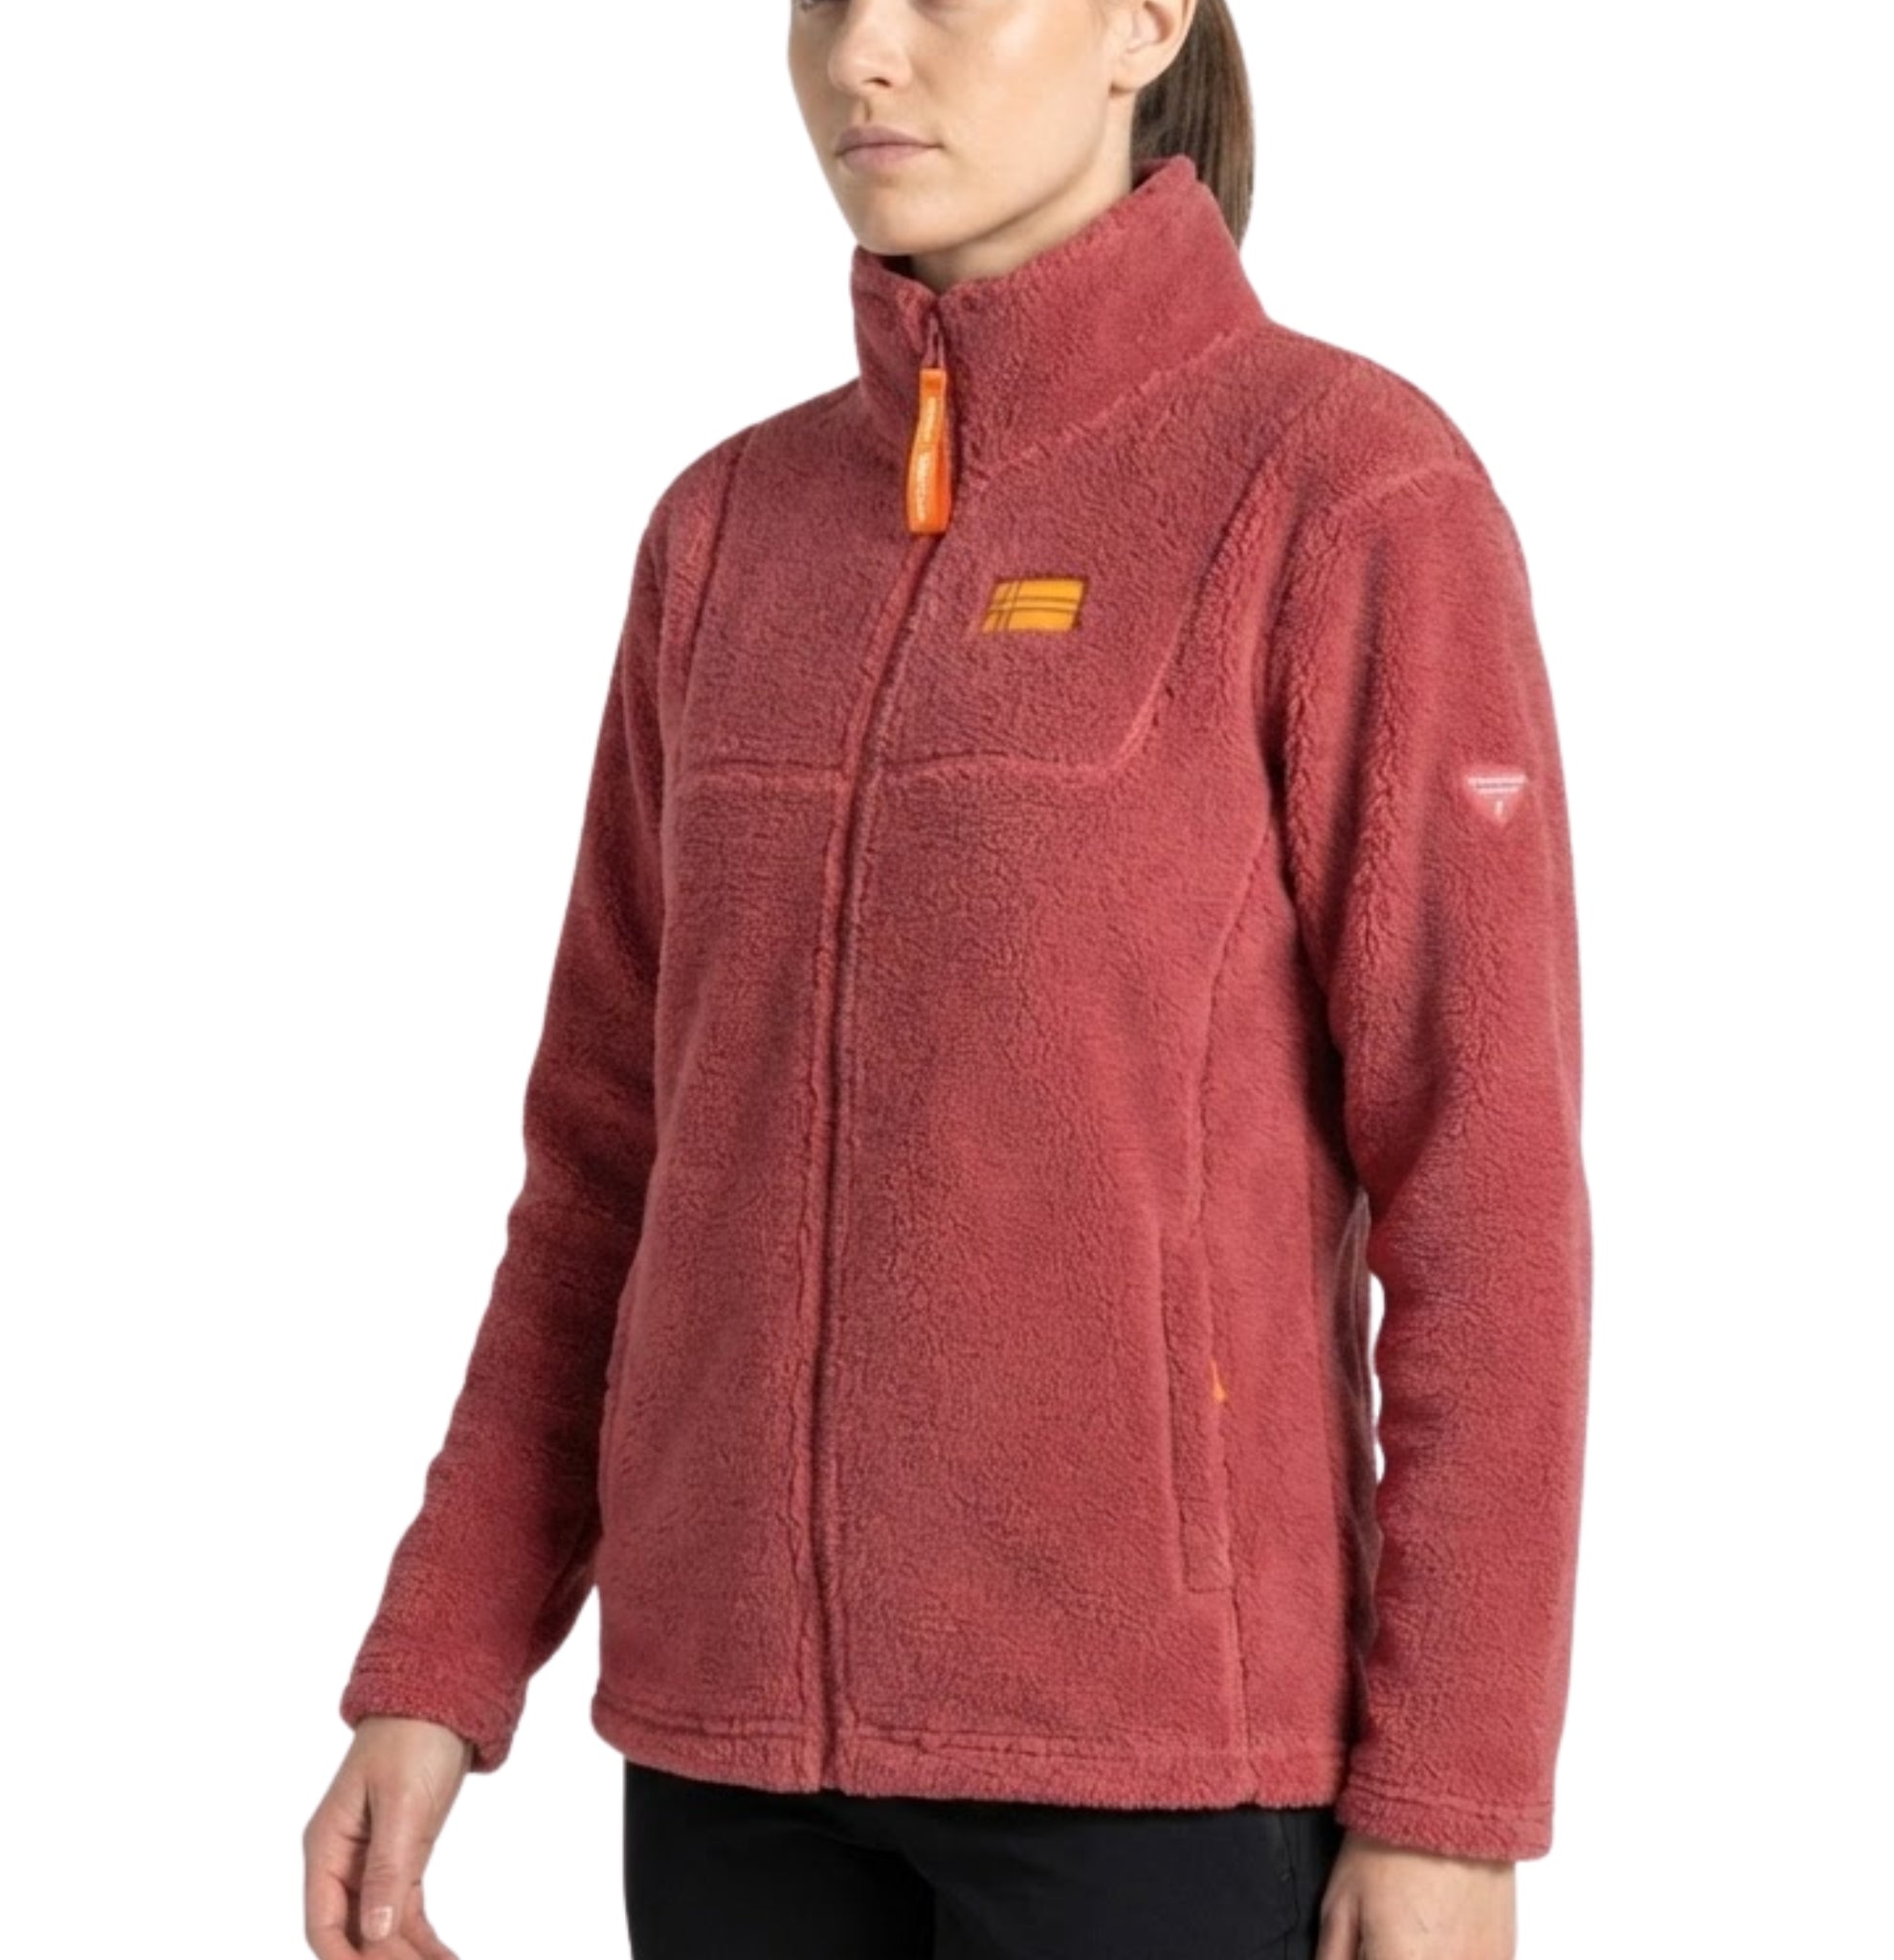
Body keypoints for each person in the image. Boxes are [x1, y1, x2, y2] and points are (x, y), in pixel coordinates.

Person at [303, 2, 1592, 1955]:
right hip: (730, 1760)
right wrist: (441, 1656)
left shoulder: (1343, 491)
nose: (863, 57)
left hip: (1156, 1775)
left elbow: (1483, 1180)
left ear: (1143, 20)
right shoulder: (722, 538)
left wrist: (1451, 1801)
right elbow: (606, 1170)